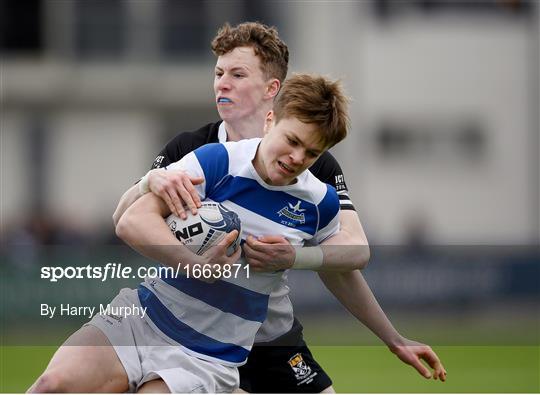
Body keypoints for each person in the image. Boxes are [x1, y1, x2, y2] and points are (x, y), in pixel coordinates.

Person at [112, 22, 446, 393]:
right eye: (219, 73)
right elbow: (124, 217)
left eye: (238, 75)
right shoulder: (194, 149)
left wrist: (392, 336)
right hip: (192, 329)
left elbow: (352, 252)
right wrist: (148, 181)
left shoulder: (308, 162)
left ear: (272, 90)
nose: (222, 83)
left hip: (269, 337)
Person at [30, 73, 351, 393]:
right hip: (142, 319)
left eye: (312, 153)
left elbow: (344, 264)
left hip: (208, 356)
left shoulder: (321, 202)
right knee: (52, 385)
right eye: (292, 141)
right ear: (270, 120)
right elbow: (132, 220)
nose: (297, 158)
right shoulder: (218, 161)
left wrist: (296, 256)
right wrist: (194, 264)